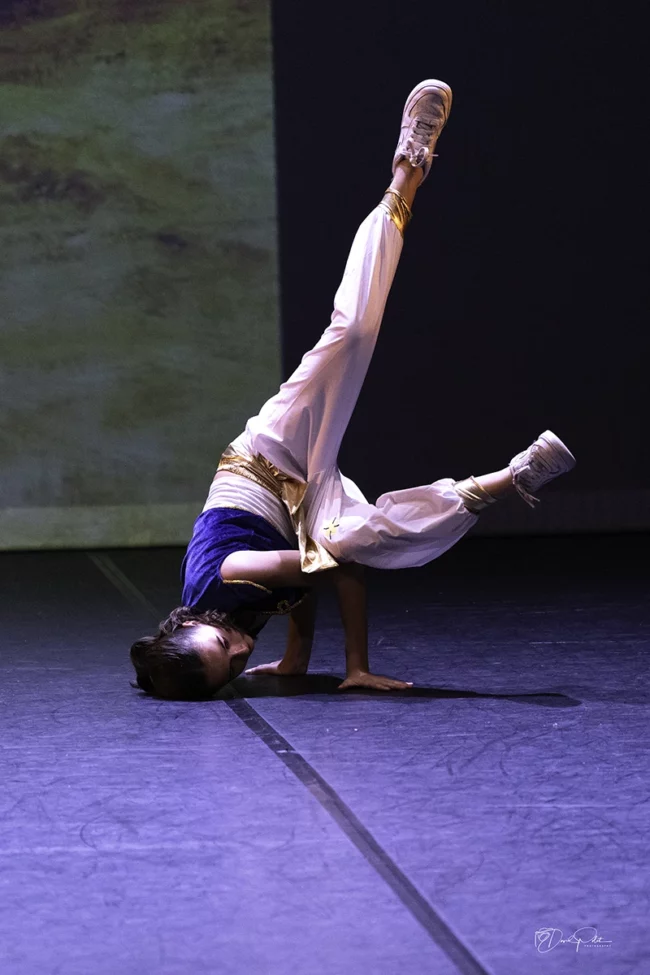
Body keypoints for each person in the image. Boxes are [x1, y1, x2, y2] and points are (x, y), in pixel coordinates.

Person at [130, 79, 576, 701]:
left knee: (353, 331)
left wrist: (355, 663)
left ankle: (407, 171)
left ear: (191, 623)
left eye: (220, 650)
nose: (236, 653)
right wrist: (298, 659)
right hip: (301, 510)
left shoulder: (219, 583)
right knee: (373, 536)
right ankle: (511, 478)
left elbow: (323, 569)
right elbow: (297, 587)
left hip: (266, 459)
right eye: (231, 668)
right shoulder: (231, 622)